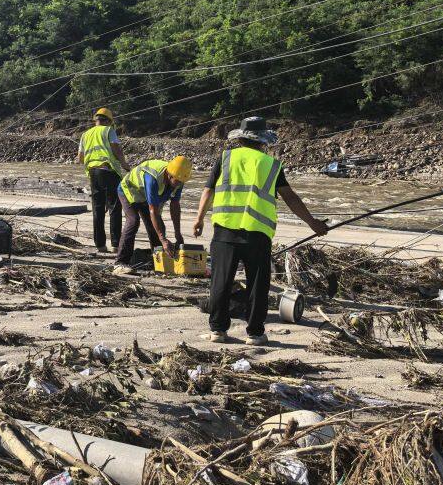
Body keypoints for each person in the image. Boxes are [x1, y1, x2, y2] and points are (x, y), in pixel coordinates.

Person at [192, 116, 328, 345]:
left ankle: (218, 330)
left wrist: (199, 219)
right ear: (263, 140)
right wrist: (312, 222)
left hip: (225, 229)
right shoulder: (271, 164)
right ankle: (255, 333)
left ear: (240, 138)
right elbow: (291, 198)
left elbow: (208, 191)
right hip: (257, 233)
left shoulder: (225, 158)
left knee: (220, 282)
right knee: (257, 284)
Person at [113, 155, 193, 275]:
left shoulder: (179, 180)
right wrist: (163, 239)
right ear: (169, 175)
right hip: (129, 190)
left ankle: (158, 260)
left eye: (181, 182)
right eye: (177, 181)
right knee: (133, 221)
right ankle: (120, 263)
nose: (179, 184)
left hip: (145, 196)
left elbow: (175, 206)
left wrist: (178, 233)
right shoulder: (153, 178)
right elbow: (153, 211)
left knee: (158, 227)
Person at [77, 107, 131, 254]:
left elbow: (80, 158)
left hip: (93, 173)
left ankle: (100, 245)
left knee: (98, 208)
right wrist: (124, 164)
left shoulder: (85, 135)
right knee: (114, 208)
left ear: (96, 120)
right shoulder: (108, 131)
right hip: (108, 171)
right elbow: (116, 148)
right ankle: (115, 245)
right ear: (108, 121)